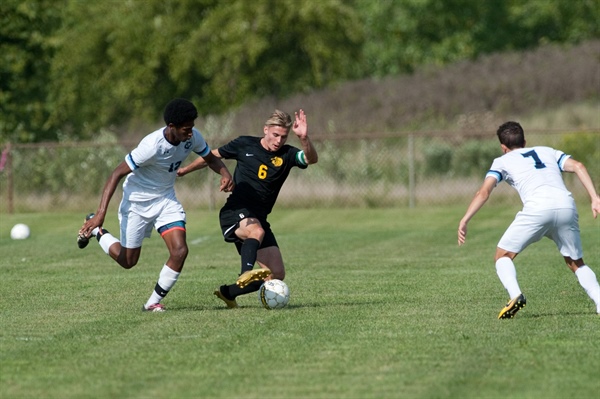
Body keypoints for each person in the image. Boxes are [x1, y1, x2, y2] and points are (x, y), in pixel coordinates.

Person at [77, 98, 233, 312]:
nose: (191, 133)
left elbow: (210, 158)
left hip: (165, 200)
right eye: (186, 129)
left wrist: (224, 173)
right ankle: (97, 231)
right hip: (136, 204)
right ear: (171, 127)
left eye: (192, 128)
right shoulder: (151, 146)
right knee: (128, 261)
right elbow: (116, 174)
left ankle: (152, 302)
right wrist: (101, 214)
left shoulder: (192, 137)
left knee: (180, 250)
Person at [458, 121, 600, 319]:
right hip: (566, 205)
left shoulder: (502, 161)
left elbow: (483, 192)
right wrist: (595, 197)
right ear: (525, 141)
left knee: (502, 256)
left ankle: (515, 295)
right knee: (576, 263)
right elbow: (578, 166)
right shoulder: (547, 151)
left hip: (538, 210)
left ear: (503, 147)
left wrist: (465, 219)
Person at [177, 109, 318, 308]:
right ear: (265, 130)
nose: (278, 141)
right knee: (256, 231)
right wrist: (183, 170)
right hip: (235, 211)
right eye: (275, 135)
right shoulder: (244, 144)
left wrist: (304, 138)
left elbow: (311, 159)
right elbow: (211, 157)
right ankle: (246, 272)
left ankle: (228, 292)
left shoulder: (287, 155)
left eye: (283, 137)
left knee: (276, 274)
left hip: (259, 217)